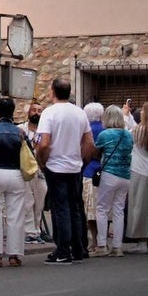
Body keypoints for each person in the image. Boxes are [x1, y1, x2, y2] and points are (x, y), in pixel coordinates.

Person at [36, 78, 93, 265]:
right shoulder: (80, 113)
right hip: (74, 165)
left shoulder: (49, 113)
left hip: (55, 165)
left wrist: (41, 161)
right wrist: (83, 161)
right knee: (75, 207)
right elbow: (89, 143)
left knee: (60, 209)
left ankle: (63, 250)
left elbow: (44, 143)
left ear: (52, 91)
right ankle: (78, 249)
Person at [0, 98, 27, 267]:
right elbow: (28, 152)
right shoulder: (19, 132)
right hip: (16, 173)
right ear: (12, 112)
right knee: (16, 214)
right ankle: (14, 254)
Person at [90, 105, 134, 258]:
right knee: (119, 210)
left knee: (102, 209)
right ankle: (117, 246)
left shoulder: (104, 134)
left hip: (109, 173)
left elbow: (96, 151)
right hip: (125, 175)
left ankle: (101, 244)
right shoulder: (128, 135)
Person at [124, 101, 148, 254]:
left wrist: (125, 115)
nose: (140, 113)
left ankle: (141, 241)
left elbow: (127, 132)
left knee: (138, 205)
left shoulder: (139, 130)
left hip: (138, 169)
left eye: (144, 111)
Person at [19, 100, 48, 244]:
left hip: (41, 170)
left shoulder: (44, 131)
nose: (36, 113)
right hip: (25, 170)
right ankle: (29, 232)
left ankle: (37, 230)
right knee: (27, 201)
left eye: (39, 110)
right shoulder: (21, 129)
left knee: (39, 202)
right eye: (34, 110)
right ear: (29, 112)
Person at [81, 102, 104, 254]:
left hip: (89, 171)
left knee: (90, 210)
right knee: (101, 209)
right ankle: (101, 240)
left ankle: (94, 241)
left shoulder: (87, 130)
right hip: (102, 172)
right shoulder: (104, 129)